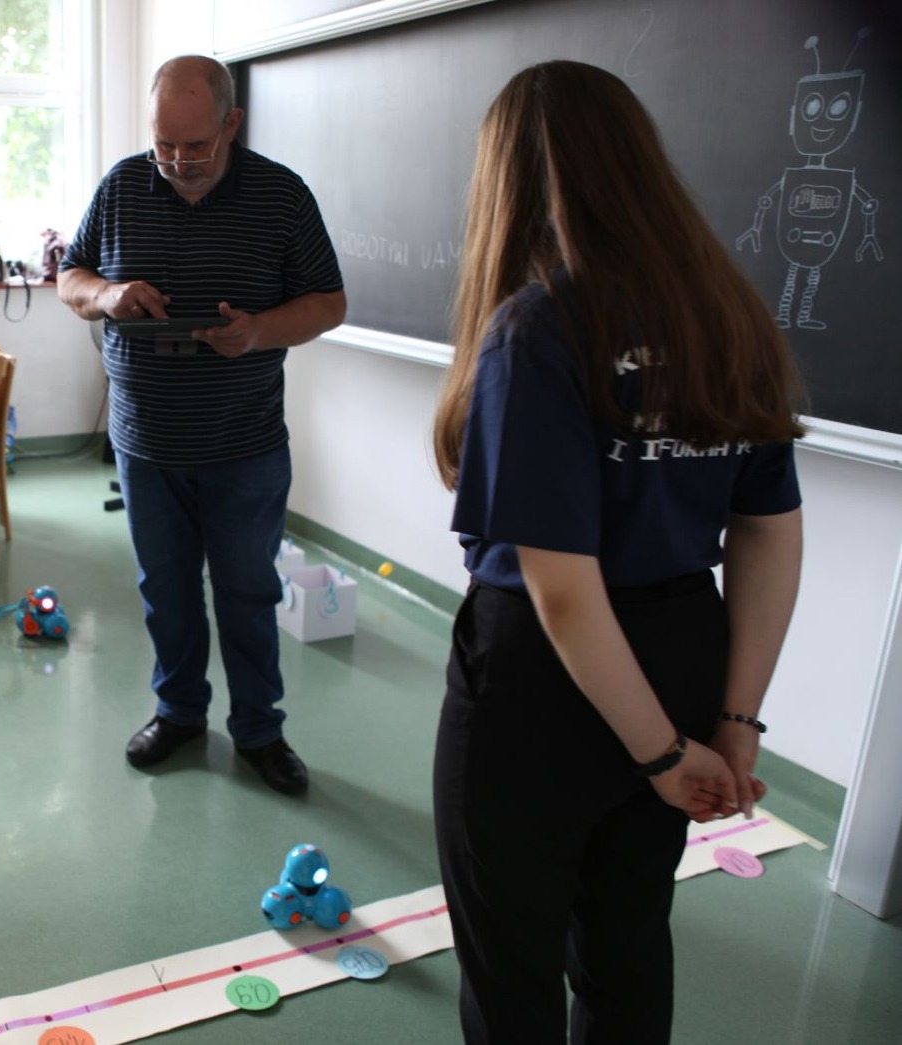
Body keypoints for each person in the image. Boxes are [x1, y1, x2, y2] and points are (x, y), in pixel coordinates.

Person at [430, 60, 805, 1043]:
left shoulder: (535, 330)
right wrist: (728, 722)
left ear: (506, 182)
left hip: (542, 684)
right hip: (684, 653)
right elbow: (767, 528)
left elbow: (560, 592)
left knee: (510, 963)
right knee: (626, 943)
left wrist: (655, 753)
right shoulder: (730, 318)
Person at [57, 55, 346, 796]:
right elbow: (70, 277)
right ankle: (179, 711)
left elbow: (327, 303)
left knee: (247, 592)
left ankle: (259, 731)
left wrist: (258, 330)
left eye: (196, 145)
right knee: (167, 590)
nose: (178, 162)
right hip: (145, 445)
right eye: (164, 145)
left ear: (231, 124)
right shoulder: (122, 185)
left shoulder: (281, 196)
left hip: (243, 444)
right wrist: (109, 292)